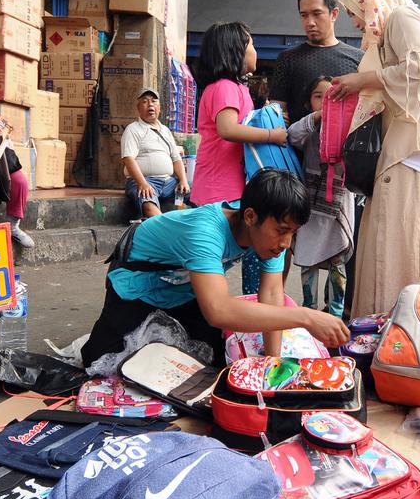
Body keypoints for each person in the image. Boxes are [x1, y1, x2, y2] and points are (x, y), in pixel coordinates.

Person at [81, 169, 350, 367]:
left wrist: (272, 364)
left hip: (184, 290)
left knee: (210, 363)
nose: (286, 242)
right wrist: (306, 317)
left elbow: (271, 297)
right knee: (103, 362)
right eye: (282, 231)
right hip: (136, 284)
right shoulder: (205, 231)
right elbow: (218, 311)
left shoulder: (270, 239)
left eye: (293, 233)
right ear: (250, 216)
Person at [328, 0, 420, 316]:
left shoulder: (401, 18)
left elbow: (419, 72)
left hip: (405, 153)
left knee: (389, 251)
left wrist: (363, 79)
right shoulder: (404, 21)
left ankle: (387, 333)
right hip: (407, 153)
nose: (355, 20)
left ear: (372, 0)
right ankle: (392, 332)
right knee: (396, 248)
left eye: (355, 10)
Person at [191, 21, 286, 294]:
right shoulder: (225, 87)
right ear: (235, 51)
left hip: (228, 188)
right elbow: (227, 129)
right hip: (220, 193)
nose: (255, 50)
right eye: (251, 44)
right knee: (221, 260)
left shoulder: (236, 88)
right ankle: (249, 311)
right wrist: (272, 135)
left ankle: (249, 310)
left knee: (221, 262)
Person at [288, 76, 354, 317]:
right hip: (311, 210)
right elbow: (292, 135)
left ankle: (335, 314)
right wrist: (317, 117)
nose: (326, 101)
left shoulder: (350, 126)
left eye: (332, 96)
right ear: (308, 102)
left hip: (338, 209)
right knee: (307, 259)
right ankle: (309, 311)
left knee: (338, 261)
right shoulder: (309, 129)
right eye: (319, 96)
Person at [268, 0, 364, 121]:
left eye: (317, 14)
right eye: (304, 15)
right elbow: (276, 113)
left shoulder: (358, 58)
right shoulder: (288, 58)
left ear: (334, 14)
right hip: (298, 142)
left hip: (347, 142)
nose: (310, 22)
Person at [121, 88, 189, 219]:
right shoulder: (133, 129)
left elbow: (176, 159)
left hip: (169, 182)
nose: (150, 105)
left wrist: (183, 180)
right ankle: (165, 231)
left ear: (159, 107)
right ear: (138, 108)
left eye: (153, 101)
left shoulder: (165, 130)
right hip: (146, 181)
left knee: (197, 193)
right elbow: (128, 159)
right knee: (148, 203)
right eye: (145, 102)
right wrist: (142, 183)